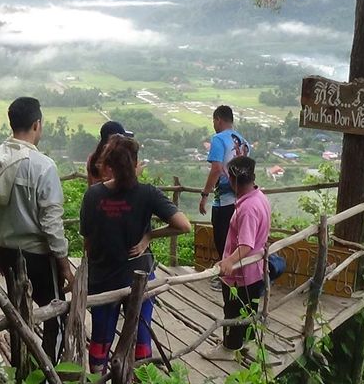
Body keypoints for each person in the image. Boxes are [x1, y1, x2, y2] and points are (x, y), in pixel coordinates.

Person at [80, 134, 191, 375]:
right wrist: (148, 236)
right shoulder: (147, 193)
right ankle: (141, 377)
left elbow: (87, 242)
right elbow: (184, 225)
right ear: (135, 163)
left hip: (103, 279)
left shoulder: (93, 195)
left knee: (100, 338)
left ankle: (98, 378)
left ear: (108, 165)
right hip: (138, 277)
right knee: (141, 334)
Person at [0, 96, 75, 364]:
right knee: (54, 313)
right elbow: (51, 223)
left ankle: (21, 365)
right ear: (36, 124)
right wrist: (64, 265)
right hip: (38, 256)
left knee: (18, 313)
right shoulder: (43, 165)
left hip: (7, 253)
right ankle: (48, 371)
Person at [202, 156, 271, 360]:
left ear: (232, 180)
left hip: (240, 274)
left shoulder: (247, 208)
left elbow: (246, 244)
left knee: (233, 310)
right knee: (249, 309)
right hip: (255, 272)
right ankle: (244, 343)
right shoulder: (259, 198)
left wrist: (229, 261)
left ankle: (229, 349)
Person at [199, 105, 250, 291]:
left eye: (214, 121)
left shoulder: (218, 139)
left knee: (223, 239)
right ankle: (236, 277)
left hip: (223, 200)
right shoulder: (244, 142)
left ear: (218, 119)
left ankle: (225, 278)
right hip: (242, 199)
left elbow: (216, 169)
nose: (214, 125)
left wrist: (205, 195)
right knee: (237, 239)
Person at [86, 121, 134, 186]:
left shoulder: (92, 158)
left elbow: (90, 186)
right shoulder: (115, 159)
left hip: (95, 195)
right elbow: (120, 184)